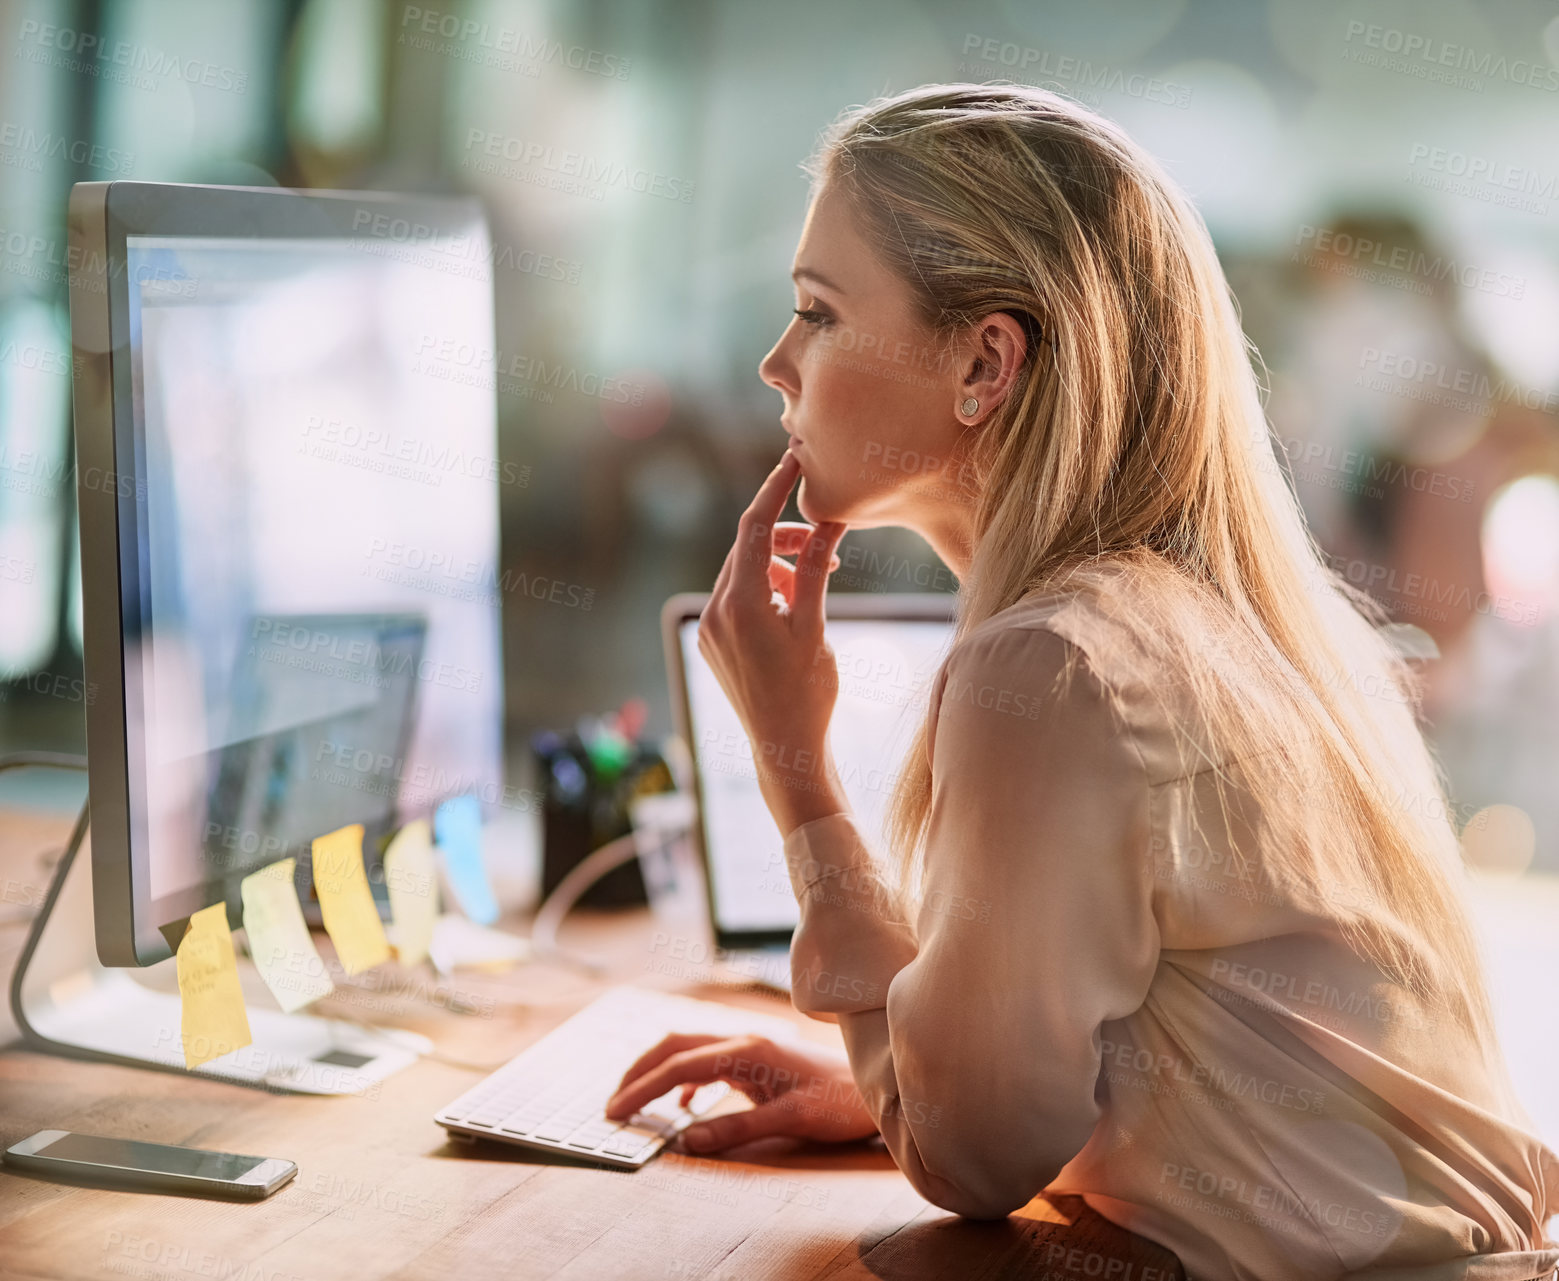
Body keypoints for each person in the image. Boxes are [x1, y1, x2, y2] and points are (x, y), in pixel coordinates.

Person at [604, 84, 1559, 1281]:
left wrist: (792, 764)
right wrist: (893, 1070)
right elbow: (1133, 1049)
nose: (775, 362)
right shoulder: (1225, 627)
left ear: (984, 364)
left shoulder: (1056, 665)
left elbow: (968, 1162)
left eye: (817, 312)